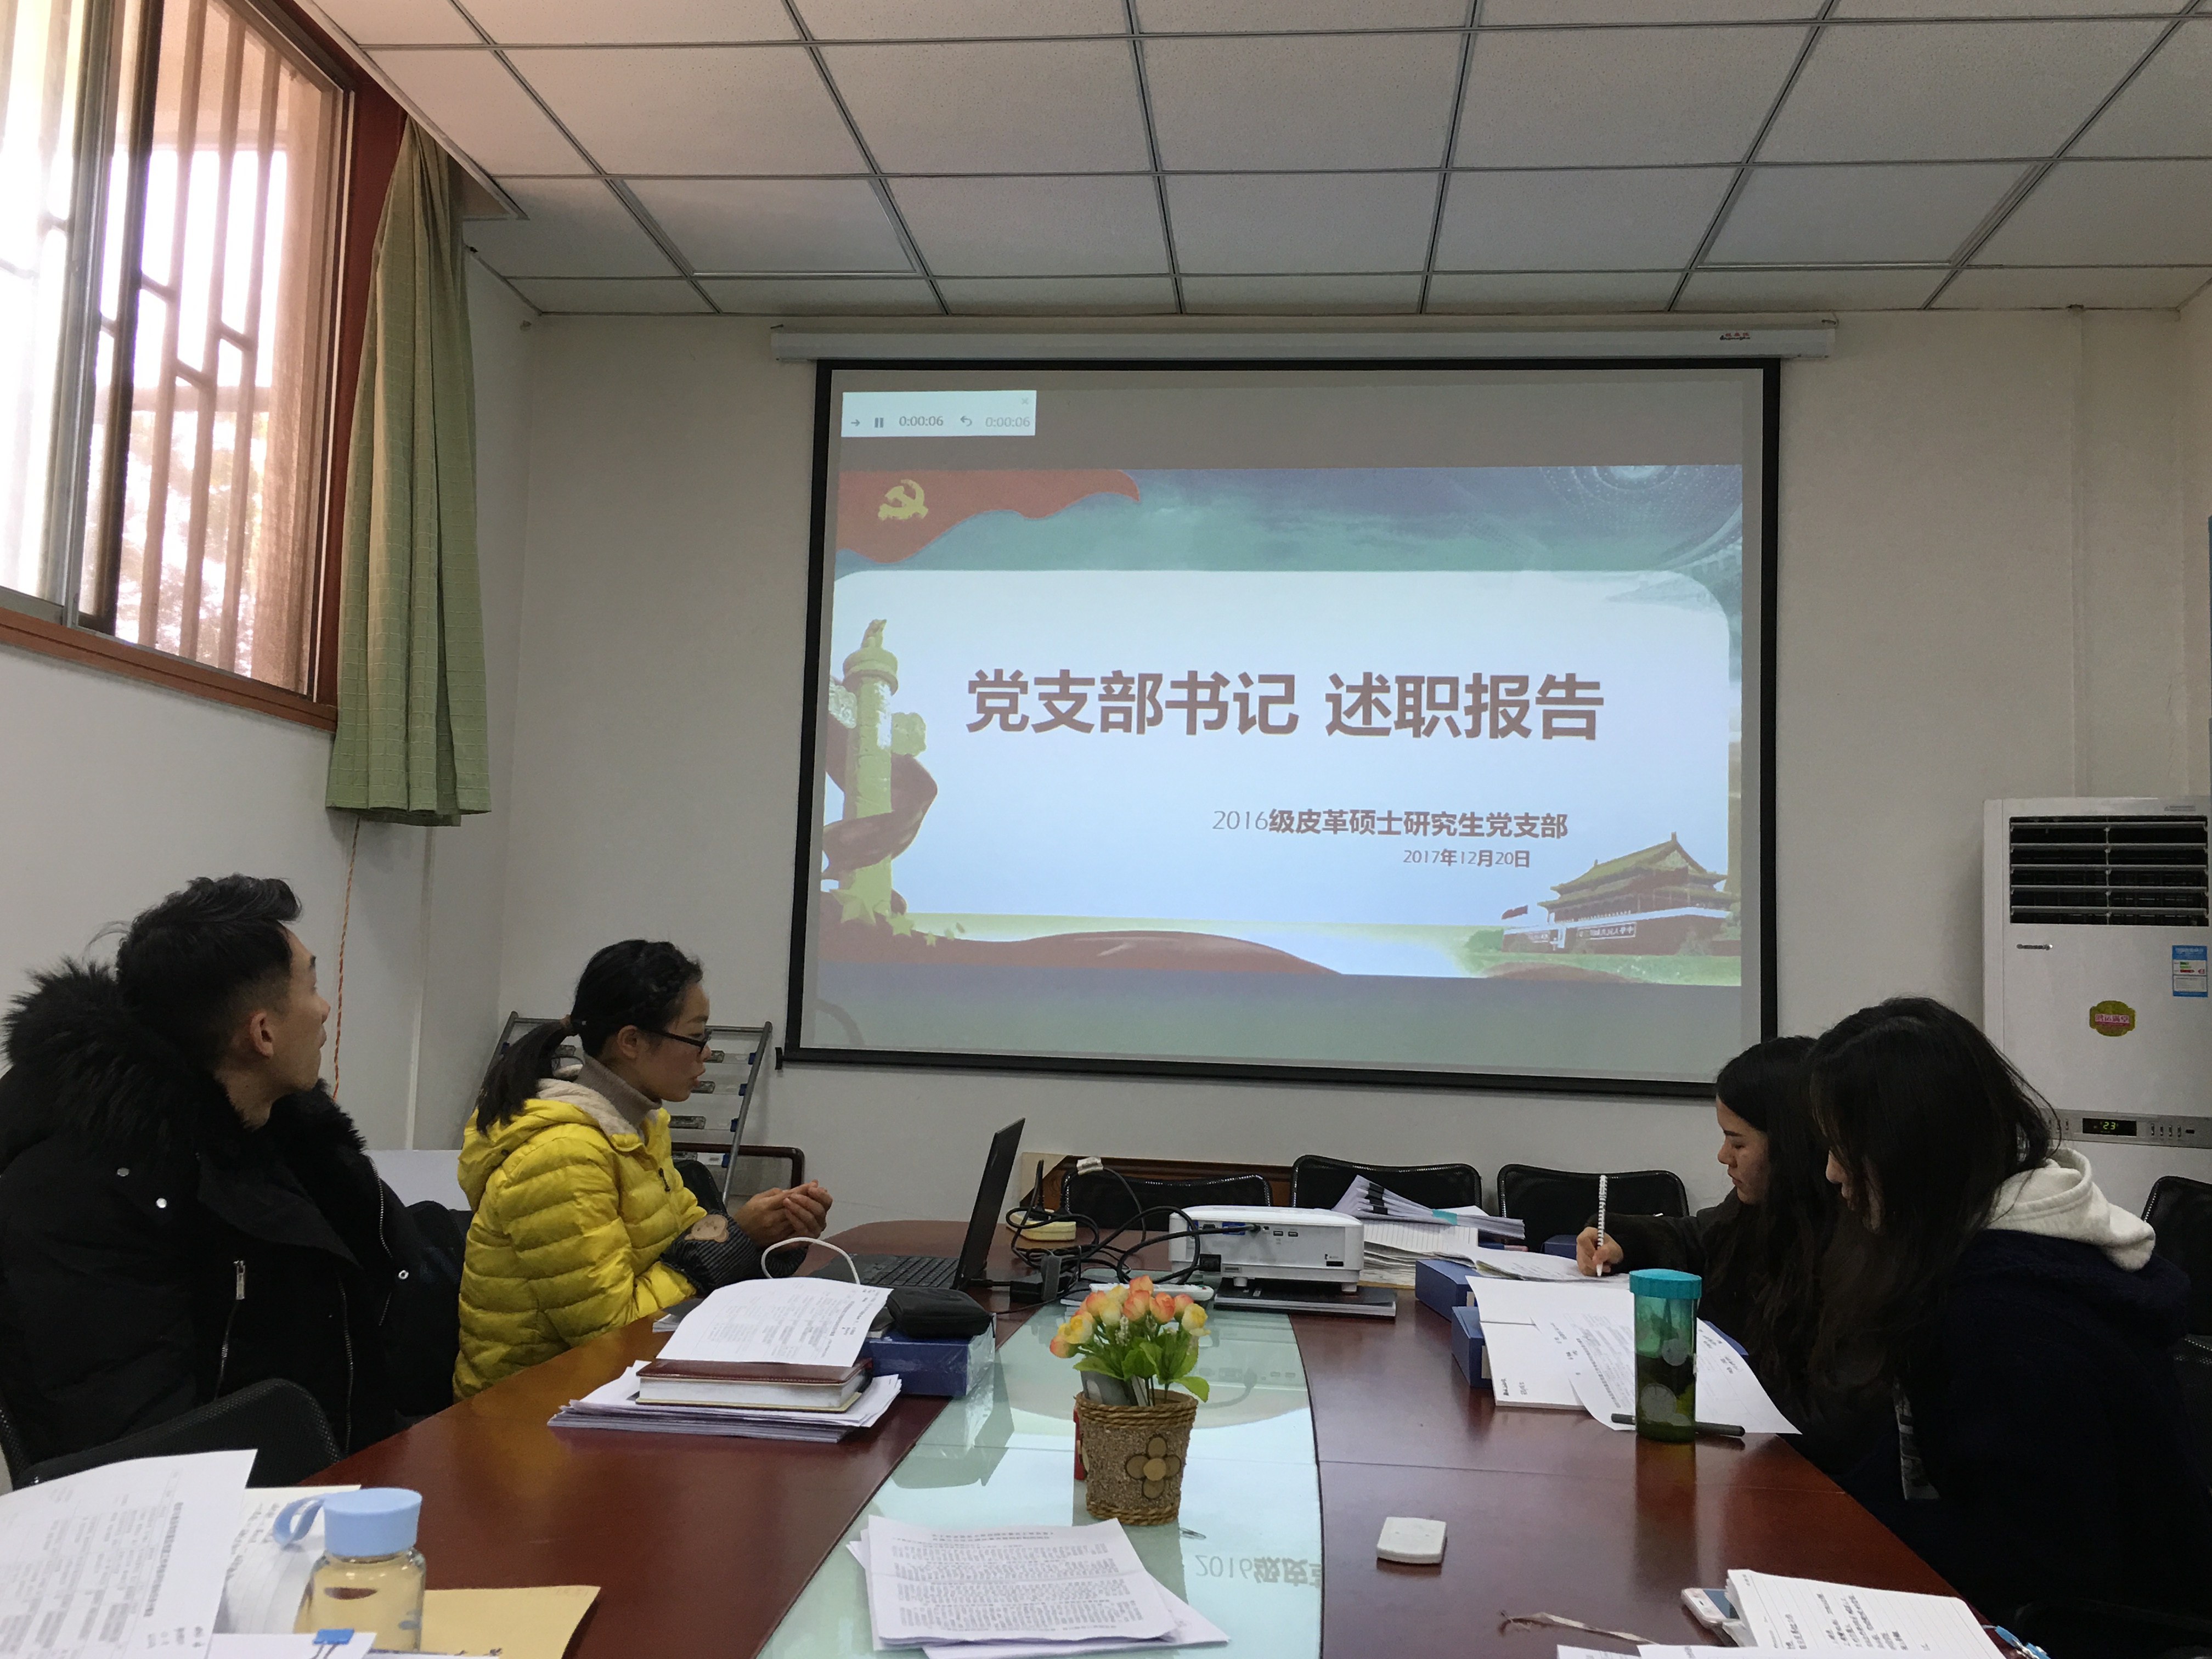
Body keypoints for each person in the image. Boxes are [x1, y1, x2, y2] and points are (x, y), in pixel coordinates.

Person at [0, 876, 445, 1465]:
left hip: (345, 1470)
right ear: (262, 1033)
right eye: (312, 985)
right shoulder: (82, 1192)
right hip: (234, 1501)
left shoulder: (283, 1132)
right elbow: (136, 1443)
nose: (324, 1008)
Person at [1805, 996, 2212, 1622]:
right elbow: (1917, 1465)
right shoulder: (1990, 1248)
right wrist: (1819, 1510)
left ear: (1912, 1151)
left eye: (1845, 1149)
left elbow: (2032, 1559)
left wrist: (1834, 1541)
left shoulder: (2009, 1315)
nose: (1833, 1173)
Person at [454, 940, 833, 1397]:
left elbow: (687, 1238)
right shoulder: (561, 1156)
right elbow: (610, 1332)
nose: (705, 1053)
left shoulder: (640, 1124)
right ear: (631, 1042)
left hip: (613, 1385)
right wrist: (735, 1238)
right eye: (696, 1036)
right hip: (531, 1409)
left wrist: (771, 1236)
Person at [1574, 1036, 1838, 1420]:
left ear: (1791, 1145)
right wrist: (1621, 1243)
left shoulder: (1839, 1246)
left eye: (1738, 1143)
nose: (1723, 1156)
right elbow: (1696, 1238)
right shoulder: (1755, 1210)